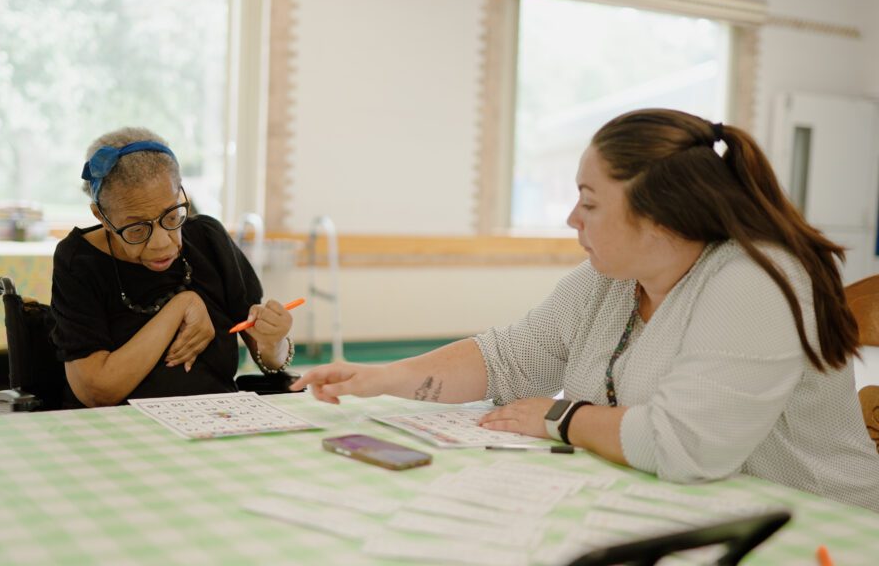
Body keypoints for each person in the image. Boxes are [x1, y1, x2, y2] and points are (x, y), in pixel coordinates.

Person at [292, 108, 879, 513]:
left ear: (660, 218)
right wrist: (379, 379)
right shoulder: (611, 280)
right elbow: (509, 357)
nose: (573, 218)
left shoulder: (755, 281)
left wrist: (561, 416)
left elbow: (685, 447)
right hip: (687, 509)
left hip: (815, 530)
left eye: (590, 202)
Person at [51, 127, 294, 407]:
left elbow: (268, 362)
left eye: (171, 216)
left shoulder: (209, 240)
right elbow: (96, 392)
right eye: (137, 229)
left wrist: (274, 341)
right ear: (102, 216)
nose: (161, 243)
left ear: (180, 195)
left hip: (218, 418)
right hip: (123, 428)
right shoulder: (79, 261)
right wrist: (180, 307)